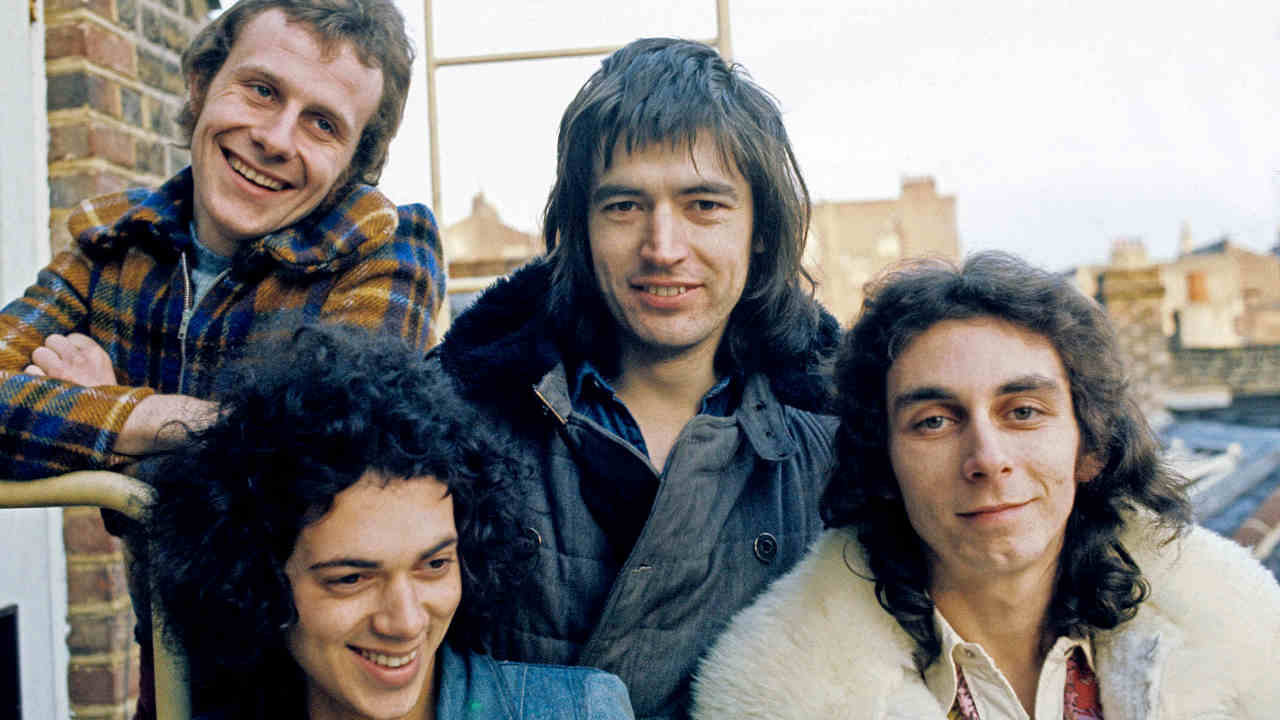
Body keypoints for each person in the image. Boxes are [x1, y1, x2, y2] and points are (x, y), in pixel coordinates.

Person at [427, 37, 842, 718]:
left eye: (704, 205)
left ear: (760, 230)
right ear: (580, 229)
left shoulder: (837, 452)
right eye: (624, 206)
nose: (663, 248)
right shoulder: (461, 427)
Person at [692, 252, 1280, 719]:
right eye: (935, 422)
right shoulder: (783, 696)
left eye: (1023, 411)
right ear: (883, 465)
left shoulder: (1245, 650)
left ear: (1091, 448)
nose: (987, 459)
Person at [0, 0, 443, 480]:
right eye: (261, 90)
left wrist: (107, 414)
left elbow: (328, 460)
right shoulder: (112, 242)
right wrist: (178, 427)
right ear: (200, 85)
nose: (275, 140)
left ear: (353, 164)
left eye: (322, 124)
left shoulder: (386, 248)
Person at [145, 325, 636, 720]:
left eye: (435, 565)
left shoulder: (580, 710)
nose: (405, 622)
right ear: (256, 581)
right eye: (351, 579)